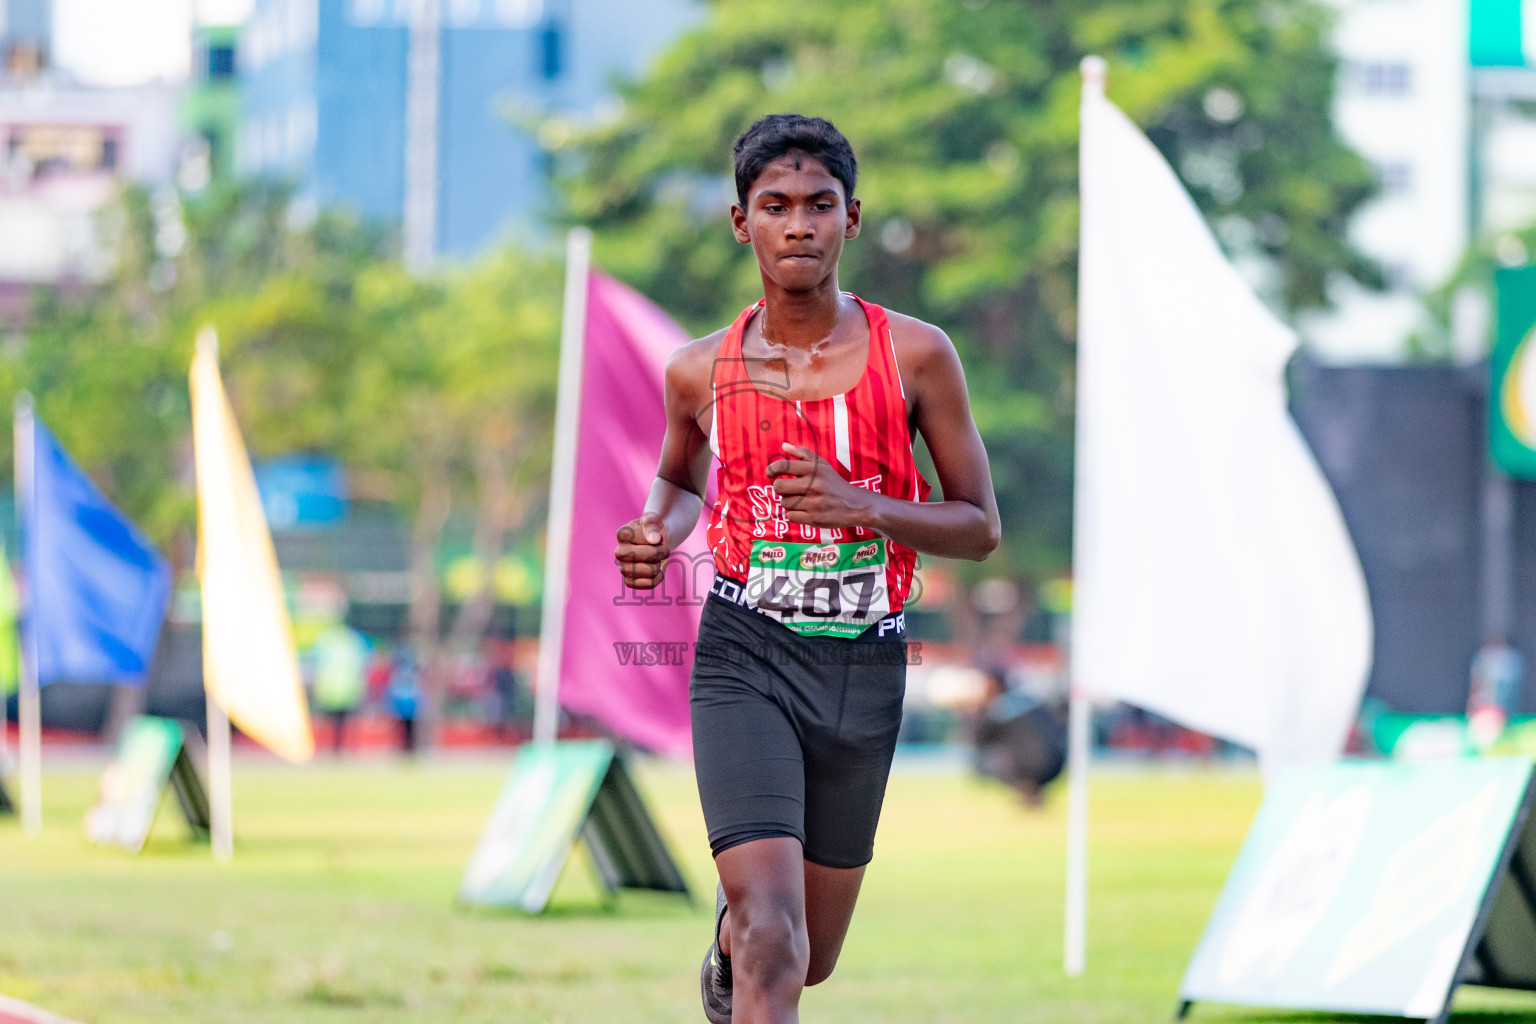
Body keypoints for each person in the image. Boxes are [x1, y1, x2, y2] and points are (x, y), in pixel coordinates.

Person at [615, 114, 1000, 1024]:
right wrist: (658, 530)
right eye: (776, 206)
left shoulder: (917, 355)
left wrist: (861, 504)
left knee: (809, 956)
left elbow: (979, 526)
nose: (799, 226)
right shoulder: (697, 370)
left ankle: (727, 948)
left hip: (864, 666)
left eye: (819, 206)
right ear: (740, 221)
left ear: (852, 219)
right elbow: (678, 479)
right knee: (772, 939)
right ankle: (743, 939)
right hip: (744, 655)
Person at [310, 622, 369, 755]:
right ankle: (335, 751)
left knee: (335, 725)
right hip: (340, 692)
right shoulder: (354, 642)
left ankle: (331, 751)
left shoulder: (327, 641)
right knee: (338, 725)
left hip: (335, 692)